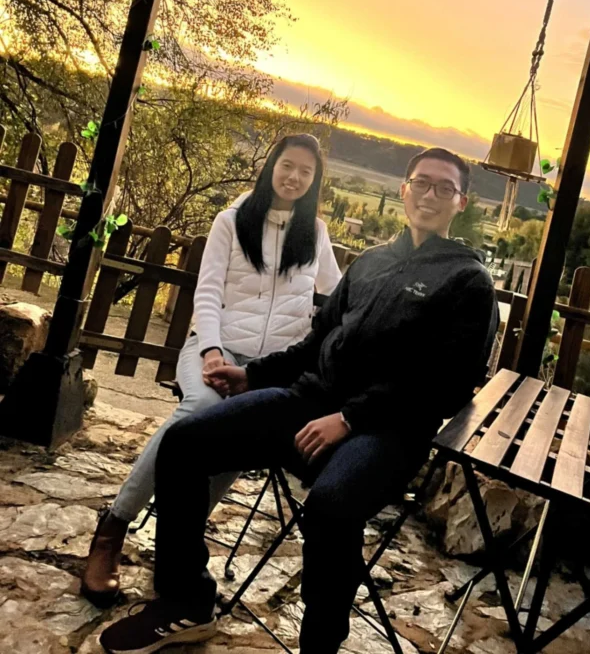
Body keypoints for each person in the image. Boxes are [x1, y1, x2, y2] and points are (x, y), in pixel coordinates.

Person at [98, 147, 499, 654]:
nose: (430, 195)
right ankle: (186, 600)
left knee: (331, 506)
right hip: (310, 403)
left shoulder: (468, 282)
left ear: (461, 202)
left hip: (387, 432)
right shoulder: (371, 263)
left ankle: (319, 647)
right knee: (184, 442)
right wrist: (252, 375)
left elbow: (446, 384)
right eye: (421, 182)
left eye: (445, 188)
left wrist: (349, 418)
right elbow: (315, 345)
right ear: (404, 189)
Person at [82, 133, 341, 607]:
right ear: (271, 166)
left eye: (306, 171)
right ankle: (113, 527)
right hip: (214, 349)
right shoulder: (231, 221)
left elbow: (337, 298)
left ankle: (179, 545)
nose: (294, 177)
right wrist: (212, 352)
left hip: (270, 369)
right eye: (287, 165)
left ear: (314, 180)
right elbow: (206, 292)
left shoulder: (316, 234)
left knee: (242, 430)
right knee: (199, 411)